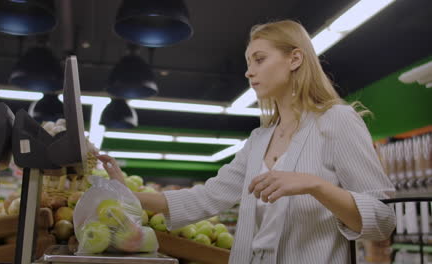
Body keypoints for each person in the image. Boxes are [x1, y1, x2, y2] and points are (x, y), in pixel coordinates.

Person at [97, 20, 395, 264]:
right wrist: (129, 194)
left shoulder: (336, 121)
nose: (249, 71)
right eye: (248, 61)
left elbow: (382, 218)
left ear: (295, 58)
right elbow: (207, 198)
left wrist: (315, 185)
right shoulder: (259, 139)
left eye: (259, 59)